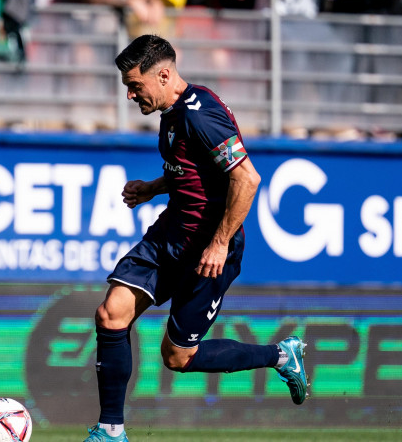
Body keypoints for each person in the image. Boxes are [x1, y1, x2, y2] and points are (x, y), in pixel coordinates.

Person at [84, 35, 309, 442]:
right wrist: (154, 188)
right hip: (171, 233)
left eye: (135, 86)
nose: (131, 95)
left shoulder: (200, 115)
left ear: (164, 75)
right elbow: (192, 172)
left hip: (207, 250)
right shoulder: (173, 112)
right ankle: (110, 431)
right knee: (110, 313)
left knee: (177, 358)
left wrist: (220, 242)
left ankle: (280, 355)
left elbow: (247, 178)